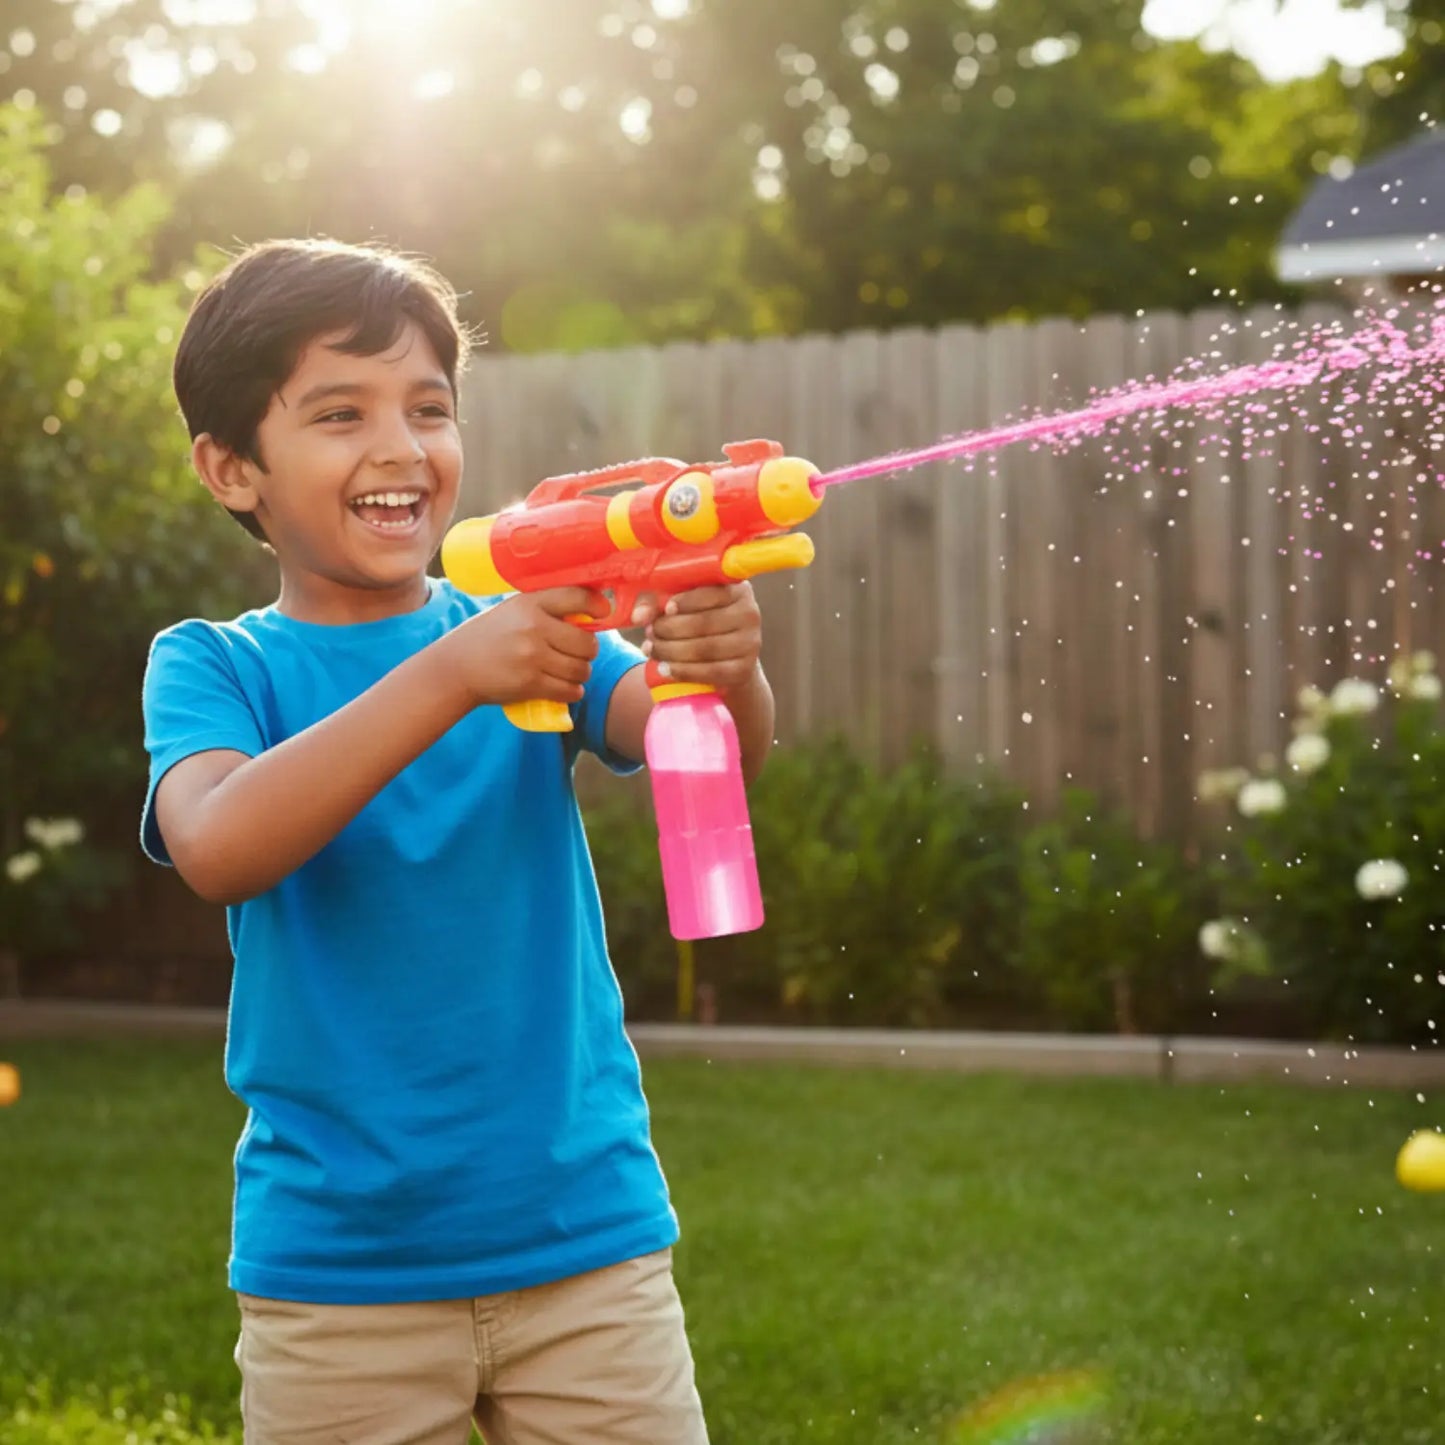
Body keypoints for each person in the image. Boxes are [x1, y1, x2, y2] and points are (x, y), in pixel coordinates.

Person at [140, 237, 776, 1444]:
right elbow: (220, 843)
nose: (400, 447)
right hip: (337, 1270)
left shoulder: (536, 632)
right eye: (339, 413)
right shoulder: (218, 664)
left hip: (584, 1236)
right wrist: (449, 674)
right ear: (231, 468)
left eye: (428, 409)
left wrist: (717, 666)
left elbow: (701, 737)